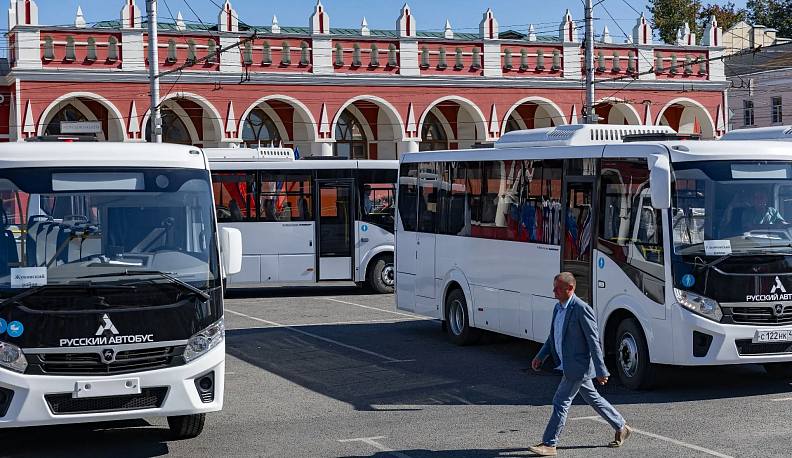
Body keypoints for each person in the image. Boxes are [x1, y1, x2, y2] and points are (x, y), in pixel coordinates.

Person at [528, 272, 631, 456]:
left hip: (578, 366)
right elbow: (554, 336)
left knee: (560, 401)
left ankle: (550, 444)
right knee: (593, 398)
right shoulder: (558, 308)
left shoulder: (581, 309)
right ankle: (621, 426)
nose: (554, 291)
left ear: (570, 288)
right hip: (568, 364)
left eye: (558, 288)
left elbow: (593, 341)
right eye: (554, 287)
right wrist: (540, 356)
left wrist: (601, 370)